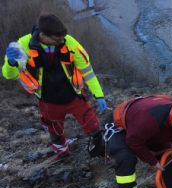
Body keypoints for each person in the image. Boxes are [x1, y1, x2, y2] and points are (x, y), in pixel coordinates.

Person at [2, 14, 106, 157]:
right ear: (43, 35)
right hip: (47, 99)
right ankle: (62, 154)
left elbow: (87, 71)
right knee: (54, 130)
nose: (61, 42)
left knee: (91, 123)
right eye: (57, 40)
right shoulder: (22, 46)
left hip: (74, 96)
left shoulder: (69, 42)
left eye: (62, 38)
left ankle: (100, 149)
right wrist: (11, 63)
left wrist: (98, 94)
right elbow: (10, 75)